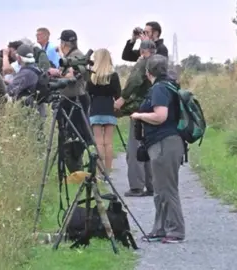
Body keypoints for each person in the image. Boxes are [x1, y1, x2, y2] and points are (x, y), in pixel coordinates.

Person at [130, 54, 185, 244]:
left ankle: (175, 231)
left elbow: (161, 116)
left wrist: (139, 115)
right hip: (166, 143)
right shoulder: (169, 85)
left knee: (167, 189)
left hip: (165, 143)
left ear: (148, 72)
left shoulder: (160, 88)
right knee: (160, 189)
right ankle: (160, 228)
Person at [114, 40, 156, 197]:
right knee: (151, 146)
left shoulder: (143, 63)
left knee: (135, 146)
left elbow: (134, 81)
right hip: (156, 110)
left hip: (140, 109)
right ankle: (152, 185)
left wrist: (123, 99)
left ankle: (136, 186)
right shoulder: (159, 64)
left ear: (142, 51)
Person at [47, 29, 91, 173]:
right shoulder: (72, 55)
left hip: (74, 99)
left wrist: (57, 75)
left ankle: (75, 168)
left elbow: (72, 76)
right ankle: (72, 168)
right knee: (68, 135)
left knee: (75, 136)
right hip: (70, 99)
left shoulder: (75, 56)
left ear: (65, 43)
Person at [86, 48, 121, 177]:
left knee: (99, 142)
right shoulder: (113, 75)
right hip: (109, 109)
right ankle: (108, 170)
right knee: (108, 142)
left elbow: (87, 93)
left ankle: (100, 172)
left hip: (95, 109)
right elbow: (118, 94)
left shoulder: (92, 76)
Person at [5, 43, 47, 139]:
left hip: (29, 112)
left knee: (29, 138)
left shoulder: (25, 72)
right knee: (38, 138)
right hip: (40, 109)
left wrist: (4, 82)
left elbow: (11, 90)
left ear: (19, 58)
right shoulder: (36, 68)